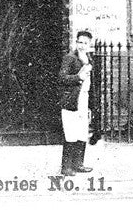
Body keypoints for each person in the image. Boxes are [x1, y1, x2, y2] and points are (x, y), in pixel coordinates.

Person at [59, 30, 95, 175]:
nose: (82, 45)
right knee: (70, 132)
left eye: (85, 43)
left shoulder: (88, 59)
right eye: (80, 42)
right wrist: (78, 77)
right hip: (71, 100)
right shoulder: (70, 58)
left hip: (84, 99)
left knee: (82, 131)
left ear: (89, 44)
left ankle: (78, 164)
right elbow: (62, 78)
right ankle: (66, 167)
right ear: (76, 42)